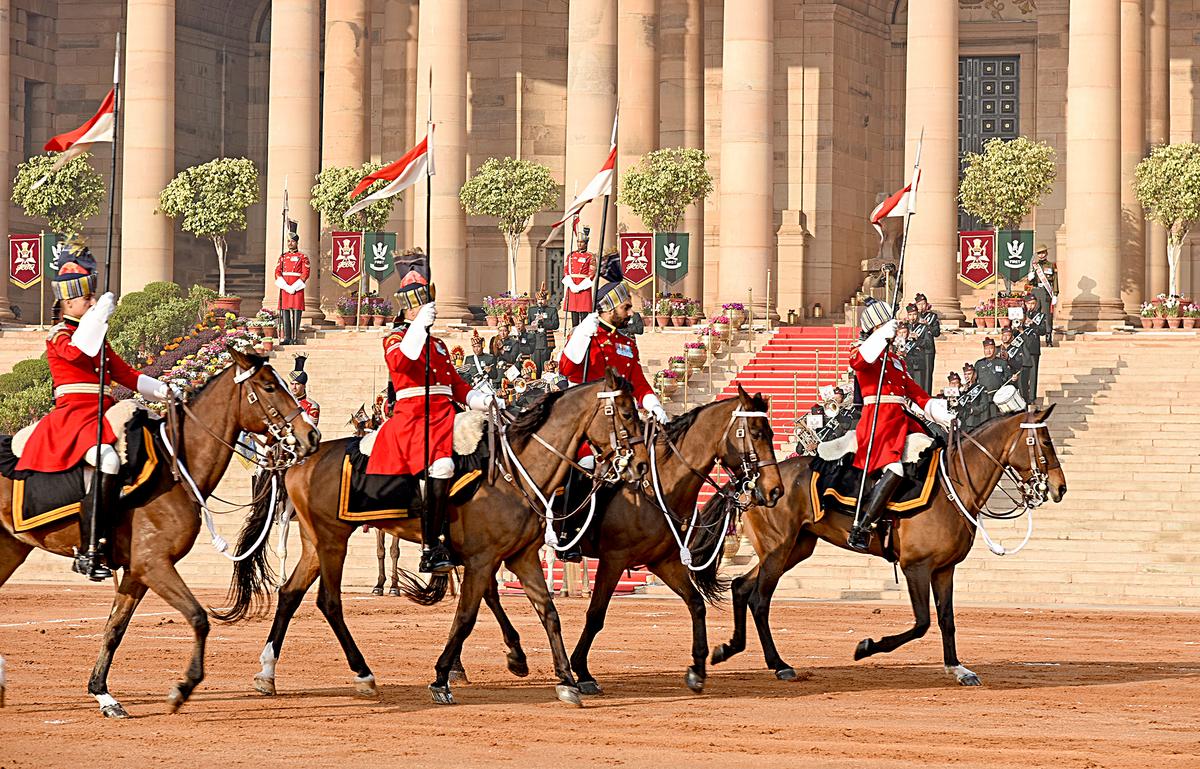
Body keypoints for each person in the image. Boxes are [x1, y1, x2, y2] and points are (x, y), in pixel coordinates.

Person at [17, 239, 173, 580]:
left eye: (92, 298)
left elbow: (126, 374)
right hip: (73, 416)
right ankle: (90, 550)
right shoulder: (59, 335)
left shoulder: (97, 337)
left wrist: (168, 392)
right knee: (108, 459)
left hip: (102, 413)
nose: (89, 302)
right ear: (68, 302)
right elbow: (77, 352)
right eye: (85, 299)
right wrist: (99, 312)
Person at [367, 270, 494, 574]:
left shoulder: (438, 345)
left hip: (445, 415)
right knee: (442, 467)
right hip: (414, 420)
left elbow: (456, 385)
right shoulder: (395, 338)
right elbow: (402, 361)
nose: (430, 309)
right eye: (423, 304)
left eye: (430, 304)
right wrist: (418, 327)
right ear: (409, 309)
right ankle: (430, 546)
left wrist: (485, 400)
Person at [557, 254, 668, 560]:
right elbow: (567, 367)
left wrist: (652, 403)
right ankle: (569, 531)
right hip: (590, 418)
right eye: (626, 307)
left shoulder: (627, 343)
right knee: (586, 465)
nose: (630, 312)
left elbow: (638, 381)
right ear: (607, 308)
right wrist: (581, 333)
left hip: (623, 419)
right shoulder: (590, 335)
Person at [846, 298, 952, 553]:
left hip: (902, 420)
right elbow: (858, 362)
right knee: (895, 469)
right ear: (875, 328)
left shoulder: (897, 361)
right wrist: (881, 334)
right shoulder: (864, 351)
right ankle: (861, 526)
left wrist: (941, 413)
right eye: (884, 324)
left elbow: (915, 392)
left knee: (931, 452)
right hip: (879, 422)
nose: (894, 329)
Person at [275, 233, 309, 345]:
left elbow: (305, 273)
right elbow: (277, 271)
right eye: (289, 241)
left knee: (296, 311)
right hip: (285, 286)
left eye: (292, 241)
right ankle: (287, 337)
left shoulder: (302, 257)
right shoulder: (283, 257)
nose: (290, 244)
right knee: (285, 311)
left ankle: (295, 338)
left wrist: (294, 287)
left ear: (297, 242)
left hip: (297, 287)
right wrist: (284, 285)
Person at [974, 337, 1018, 421]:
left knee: (996, 422)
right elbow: (974, 381)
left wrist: (1013, 379)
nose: (988, 351)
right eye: (986, 349)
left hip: (997, 398)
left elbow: (1008, 378)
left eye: (990, 348)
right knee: (984, 423)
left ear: (995, 349)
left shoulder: (1002, 363)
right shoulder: (979, 364)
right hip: (984, 399)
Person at [563, 225, 597, 327]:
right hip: (572, 285)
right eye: (578, 242)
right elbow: (566, 270)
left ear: (586, 244)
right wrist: (571, 284)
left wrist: (580, 286)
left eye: (581, 242)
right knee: (573, 312)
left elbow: (592, 272)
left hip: (583, 287)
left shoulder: (590, 256)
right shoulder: (571, 255)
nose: (579, 244)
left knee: (584, 313)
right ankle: (574, 332)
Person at [1017, 293, 1047, 403]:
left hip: (1033, 347)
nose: (1031, 306)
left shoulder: (1039, 315)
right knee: (1022, 373)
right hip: (1021, 347)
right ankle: (1022, 395)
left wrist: (1032, 324)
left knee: (1033, 374)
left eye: (1033, 303)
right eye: (1029, 303)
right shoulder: (1020, 314)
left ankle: (1032, 397)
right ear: (1025, 303)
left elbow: (1043, 330)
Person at [1028, 245, 1058, 347]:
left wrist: (1055, 294)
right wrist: (1030, 277)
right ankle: (1034, 338)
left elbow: (1055, 280)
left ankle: (1048, 339)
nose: (1041, 255)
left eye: (1043, 253)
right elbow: (1030, 282)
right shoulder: (1035, 266)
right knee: (1035, 315)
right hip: (1036, 292)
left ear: (1046, 253)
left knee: (1047, 316)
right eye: (1039, 253)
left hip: (1046, 292)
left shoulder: (1051, 265)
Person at [527, 282, 560, 375]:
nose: (540, 301)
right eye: (539, 299)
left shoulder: (552, 310)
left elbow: (555, 324)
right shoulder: (531, 310)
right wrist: (532, 325)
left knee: (546, 366)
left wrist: (544, 322)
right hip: (535, 342)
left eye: (542, 299)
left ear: (546, 300)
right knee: (535, 367)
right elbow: (527, 326)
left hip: (546, 342)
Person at [911, 294, 939, 393]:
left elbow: (937, 333)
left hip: (927, 350)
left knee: (927, 374)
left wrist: (928, 325)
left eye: (923, 304)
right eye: (919, 304)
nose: (921, 306)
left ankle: (927, 395)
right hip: (915, 350)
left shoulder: (932, 317)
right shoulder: (913, 316)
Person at [956, 362, 990, 431]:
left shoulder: (981, 388)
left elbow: (984, 405)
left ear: (975, 375)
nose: (967, 376)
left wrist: (972, 410)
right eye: (965, 374)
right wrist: (960, 392)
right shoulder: (961, 389)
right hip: (961, 422)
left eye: (969, 374)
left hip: (973, 421)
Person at [288, 354, 320, 426]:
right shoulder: (285, 402)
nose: (294, 387)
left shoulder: (312, 406)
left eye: (297, 384)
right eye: (292, 384)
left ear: (304, 386)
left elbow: (310, 428)